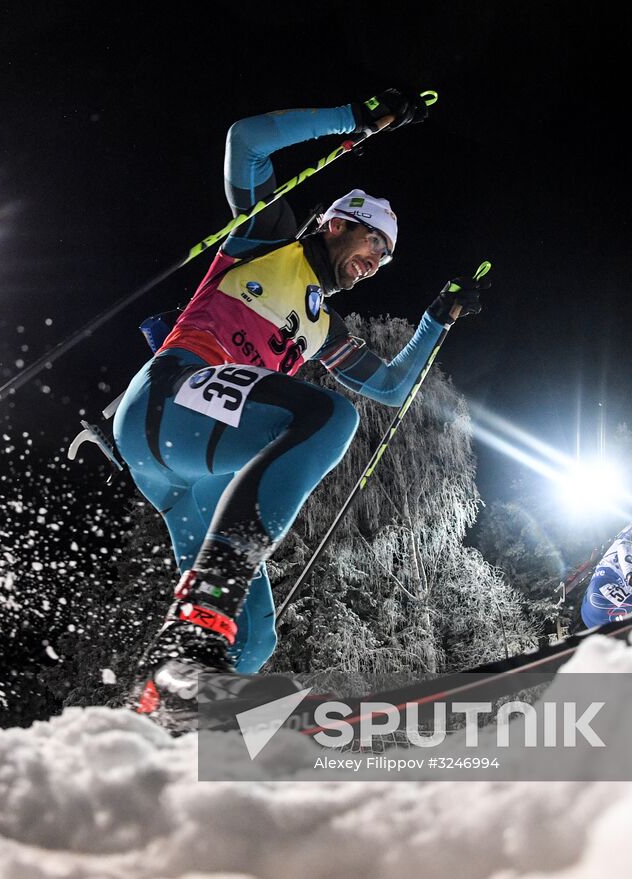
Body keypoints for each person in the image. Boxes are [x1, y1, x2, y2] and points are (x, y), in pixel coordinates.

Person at [111, 89, 486, 720]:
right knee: (324, 416)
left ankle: (160, 721)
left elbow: (391, 387)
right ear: (338, 223)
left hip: (192, 484)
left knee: (256, 639)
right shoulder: (270, 236)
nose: (375, 266)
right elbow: (244, 142)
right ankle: (203, 615)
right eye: (373, 247)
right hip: (168, 397)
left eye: (385, 261)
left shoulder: (324, 329)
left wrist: (435, 322)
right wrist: (354, 119)